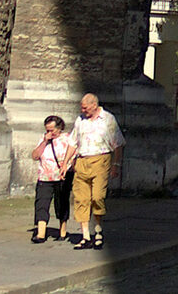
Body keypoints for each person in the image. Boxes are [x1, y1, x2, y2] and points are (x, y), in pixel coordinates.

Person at [68, 93, 125, 250]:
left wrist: (116, 164)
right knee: (81, 199)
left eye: (85, 107)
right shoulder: (80, 120)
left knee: (97, 197)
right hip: (82, 160)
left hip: (101, 159)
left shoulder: (108, 119)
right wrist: (65, 161)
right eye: (82, 108)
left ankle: (98, 230)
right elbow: (72, 142)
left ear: (94, 105)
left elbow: (118, 143)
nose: (83, 110)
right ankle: (85, 236)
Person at [29, 116, 75, 245]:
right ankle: (41, 233)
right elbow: (35, 156)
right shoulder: (43, 139)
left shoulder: (67, 139)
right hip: (44, 176)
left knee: (61, 203)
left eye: (52, 130)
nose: (49, 133)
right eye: (47, 130)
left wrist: (67, 167)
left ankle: (62, 230)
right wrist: (44, 142)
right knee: (41, 203)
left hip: (61, 176)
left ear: (59, 128)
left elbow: (73, 155)